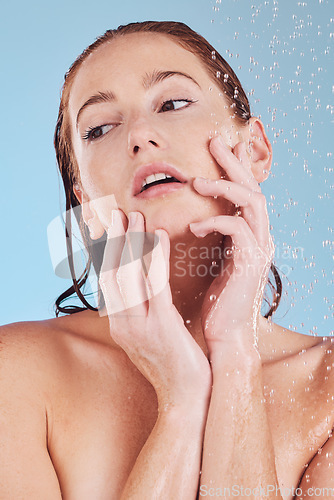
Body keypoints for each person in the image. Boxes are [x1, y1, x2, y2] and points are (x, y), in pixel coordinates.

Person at [0, 20, 333, 499]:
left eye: (173, 103)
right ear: (85, 207)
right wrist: (181, 398)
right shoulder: (17, 375)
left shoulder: (328, 385)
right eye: (99, 128)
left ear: (254, 151)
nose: (140, 135)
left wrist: (235, 353)